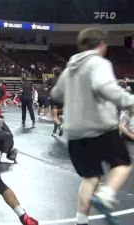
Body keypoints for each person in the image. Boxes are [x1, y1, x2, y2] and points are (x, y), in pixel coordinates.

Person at [51, 28, 134, 225]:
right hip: (100, 130)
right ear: (101, 44)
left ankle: (81, 221)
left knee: (90, 177)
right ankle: (105, 196)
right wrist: (130, 102)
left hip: (75, 134)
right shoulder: (99, 63)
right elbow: (106, 87)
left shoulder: (69, 68)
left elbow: (56, 94)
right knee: (123, 164)